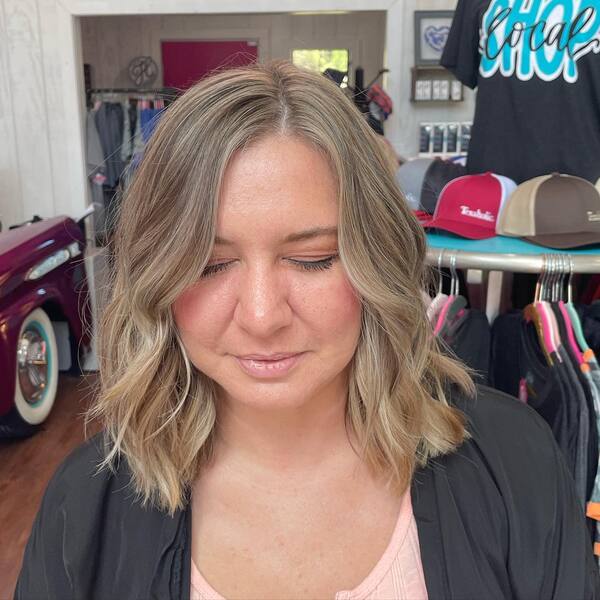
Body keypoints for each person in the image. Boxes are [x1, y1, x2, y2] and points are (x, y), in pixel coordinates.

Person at [15, 61, 599, 600]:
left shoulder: (517, 466)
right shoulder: (84, 509)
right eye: (209, 265)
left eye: (314, 257)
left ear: (378, 260)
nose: (263, 315)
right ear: (158, 276)